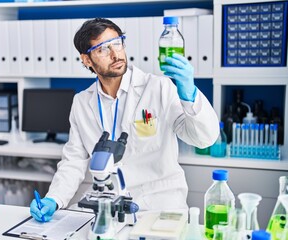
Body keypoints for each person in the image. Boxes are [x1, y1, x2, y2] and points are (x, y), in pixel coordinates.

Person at [30, 18, 219, 222]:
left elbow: (204, 139)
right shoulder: (82, 102)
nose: (115, 54)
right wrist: (54, 198)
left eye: (118, 43)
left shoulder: (159, 88)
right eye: (103, 49)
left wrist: (189, 94)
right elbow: (74, 160)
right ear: (86, 60)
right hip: (107, 204)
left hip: (160, 207)